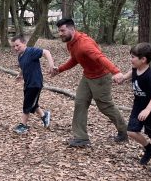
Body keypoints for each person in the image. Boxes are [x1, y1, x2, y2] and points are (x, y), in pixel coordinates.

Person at [52, 18, 127, 147]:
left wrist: (116, 72)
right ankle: (81, 138)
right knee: (80, 102)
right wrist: (60, 69)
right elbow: (75, 59)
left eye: (62, 30)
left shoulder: (85, 44)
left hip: (101, 78)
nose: (60, 34)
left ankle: (125, 131)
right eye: (59, 31)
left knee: (105, 106)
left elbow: (100, 57)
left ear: (72, 29)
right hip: (87, 77)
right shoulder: (71, 43)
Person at [117, 42, 151, 173]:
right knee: (131, 131)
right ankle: (149, 148)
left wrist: (147, 110)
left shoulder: (150, 75)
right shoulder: (136, 68)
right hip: (138, 106)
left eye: (133, 57)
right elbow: (131, 72)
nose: (131, 59)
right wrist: (122, 78)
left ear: (143, 59)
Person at [10, 34, 54, 134]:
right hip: (28, 83)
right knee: (33, 104)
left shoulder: (31, 51)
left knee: (27, 104)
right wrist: (20, 74)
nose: (16, 48)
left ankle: (23, 125)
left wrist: (51, 66)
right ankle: (44, 116)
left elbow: (46, 52)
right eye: (14, 46)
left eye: (18, 45)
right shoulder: (20, 56)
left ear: (24, 43)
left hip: (35, 83)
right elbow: (23, 66)